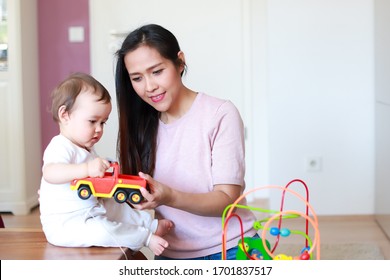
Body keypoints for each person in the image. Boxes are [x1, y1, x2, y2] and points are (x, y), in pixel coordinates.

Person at [115, 24, 257, 260]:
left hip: (229, 247)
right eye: (137, 78)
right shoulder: (140, 125)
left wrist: (169, 196)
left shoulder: (220, 114)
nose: (149, 87)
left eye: (157, 71)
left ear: (180, 62)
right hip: (171, 253)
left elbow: (227, 199)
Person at [39, 72, 173, 256]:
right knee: (103, 230)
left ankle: (149, 224)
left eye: (103, 123)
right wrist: (86, 169)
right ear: (65, 115)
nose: (99, 129)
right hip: (68, 225)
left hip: (91, 210)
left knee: (115, 203)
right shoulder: (60, 146)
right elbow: (50, 172)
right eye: (93, 121)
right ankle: (146, 237)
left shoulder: (86, 148)